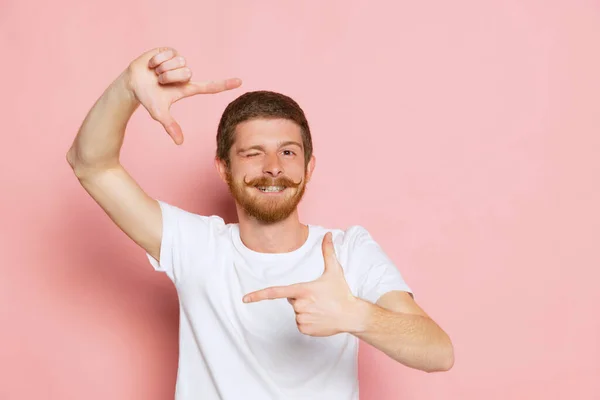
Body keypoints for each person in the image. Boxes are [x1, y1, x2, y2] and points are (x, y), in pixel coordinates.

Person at [66, 47, 454, 400]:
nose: (273, 168)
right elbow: (91, 165)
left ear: (308, 166)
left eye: (288, 152)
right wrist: (127, 89)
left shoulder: (348, 251)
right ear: (224, 168)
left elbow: (438, 351)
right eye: (253, 153)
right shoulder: (195, 245)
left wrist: (356, 315)